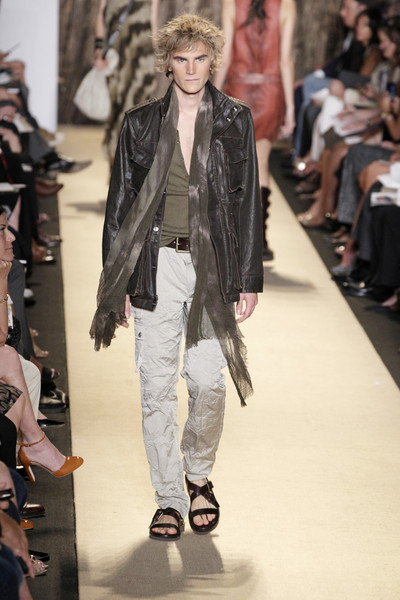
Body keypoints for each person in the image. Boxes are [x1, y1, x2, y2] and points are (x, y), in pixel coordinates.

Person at [91, 14, 263, 541]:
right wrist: (115, 283)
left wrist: (249, 275)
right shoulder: (140, 123)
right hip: (156, 263)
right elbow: (119, 206)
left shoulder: (235, 119)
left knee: (209, 382)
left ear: (213, 62)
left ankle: (198, 474)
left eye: (200, 58)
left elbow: (248, 202)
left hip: (214, 265)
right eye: (181, 59)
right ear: (167, 63)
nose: (191, 69)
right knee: (157, 386)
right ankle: (169, 497)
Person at [214, 0, 296, 260]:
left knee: (234, 163)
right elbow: (285, 61)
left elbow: (225, 58)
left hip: (237, 90)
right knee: (261, 164)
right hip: (270, 91)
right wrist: (291, 108)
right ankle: (259, 241)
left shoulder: (231, 3)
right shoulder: (286, 4)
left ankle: (234, 236)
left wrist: (211, 97)